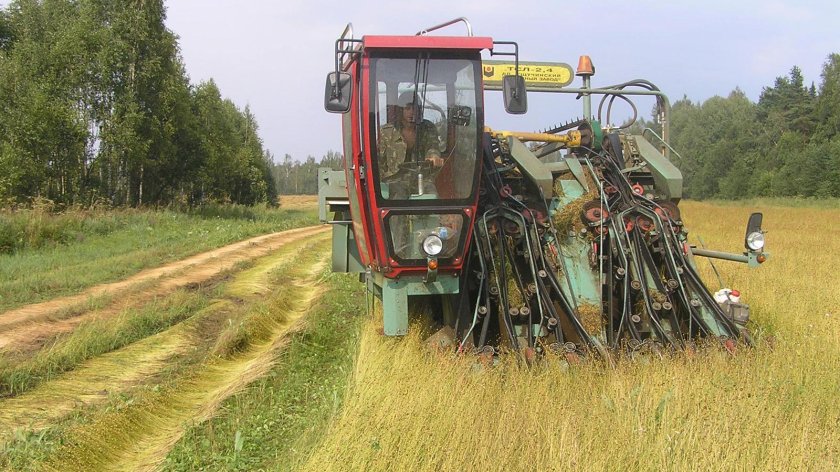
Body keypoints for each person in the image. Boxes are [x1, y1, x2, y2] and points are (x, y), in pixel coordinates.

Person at [377, 91, 444, 184]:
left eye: (415, 108)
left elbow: (433, 147)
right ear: (401, 110)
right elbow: (379, 160)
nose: (412, 112)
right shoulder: (386, 132)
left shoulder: (428, 128)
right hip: (394, 181)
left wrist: (434, 157)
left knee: (432, 195)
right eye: (407, 108)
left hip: (421, 179)